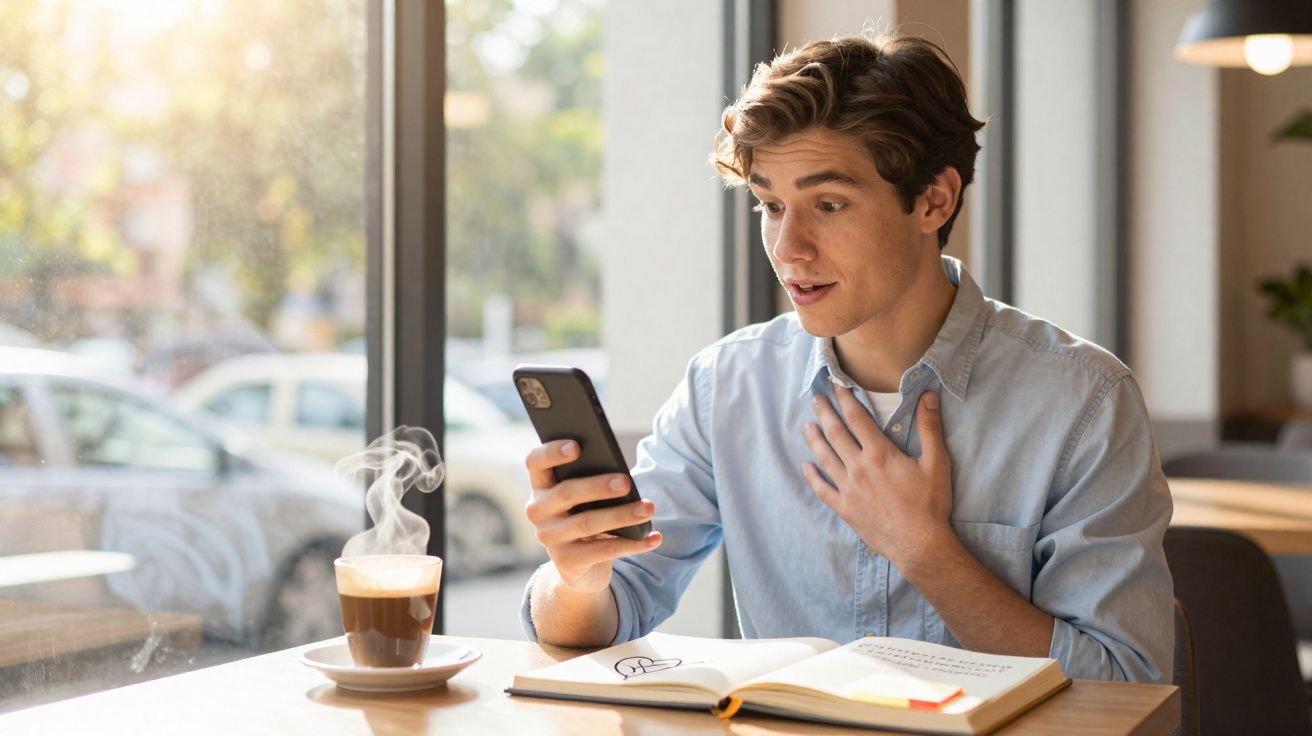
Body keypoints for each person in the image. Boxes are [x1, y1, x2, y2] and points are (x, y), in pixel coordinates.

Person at [518, 32, 1173, 684]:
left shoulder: (1084, 401)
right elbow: (603, 611)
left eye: (828, 205)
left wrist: (928, 552)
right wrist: (576, 577)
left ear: (933, 201)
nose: (788, 247)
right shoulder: (728, 386)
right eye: (771, 205)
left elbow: (1124, 688)